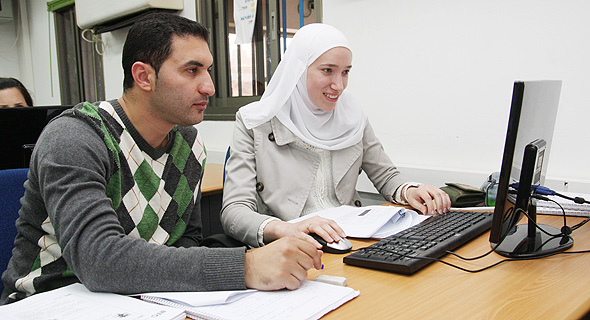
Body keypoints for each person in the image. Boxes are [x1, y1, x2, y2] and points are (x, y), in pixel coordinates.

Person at [1, 13, 321, 305]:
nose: (209, 86)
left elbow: (186, 240)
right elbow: (98, 259)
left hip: (139, 300)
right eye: (192, 70)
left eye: (207, 70)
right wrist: (246, 265)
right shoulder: (76, 137)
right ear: (144, 76)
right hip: (48, 301)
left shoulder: (189, 143)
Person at [221, 23, 452, 248]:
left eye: (346, 72)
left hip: (351, 238)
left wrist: (410, 191)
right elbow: (235, 211)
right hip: (290, 246)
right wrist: (285, 228)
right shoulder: (255, 121)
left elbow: (385, 174)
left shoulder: (352, 115)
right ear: (298, 69)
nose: (339, 85)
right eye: (327, 70)